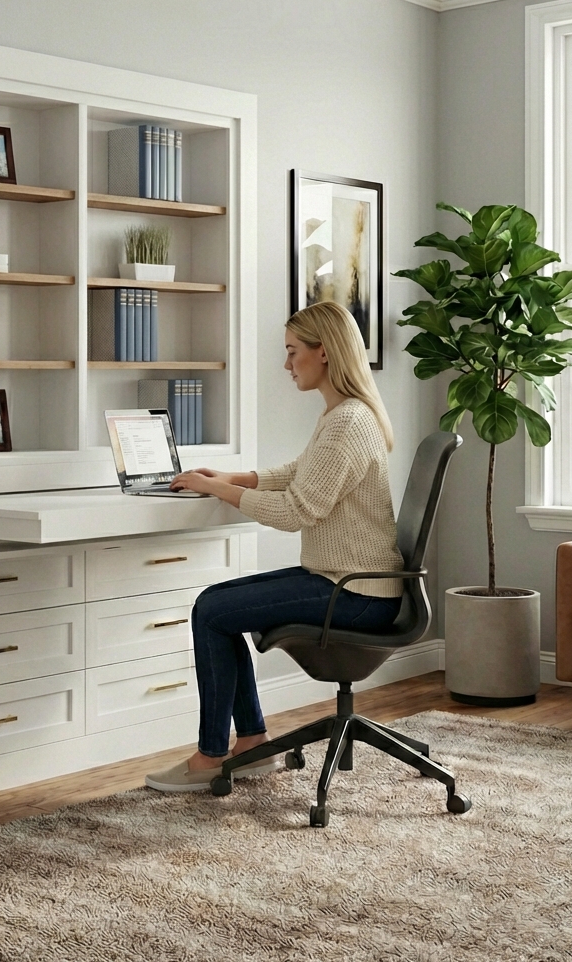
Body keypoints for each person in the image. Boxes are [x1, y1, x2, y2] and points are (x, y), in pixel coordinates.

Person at [145, 301, 404, 793]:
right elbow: (300, 472)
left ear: (322, 353)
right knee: (218, 608)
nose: (286, 366)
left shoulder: (348, 422)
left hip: (354, 593)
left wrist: (219, 490)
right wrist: (232, 476)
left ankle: (213, 755)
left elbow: (296, 510)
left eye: (292, 353)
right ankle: (249, 745)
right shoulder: (345, 415)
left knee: (212, 609)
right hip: (348, 582)